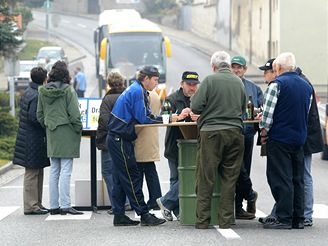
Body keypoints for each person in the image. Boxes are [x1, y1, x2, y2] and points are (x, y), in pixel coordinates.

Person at [258, 65, 323, 227]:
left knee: (281, 178)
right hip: (299, 139)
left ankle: (283, 217)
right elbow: (306, 112)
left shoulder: (277, 84)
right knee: (297, 179)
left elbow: (267, 115)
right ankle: (298, 218)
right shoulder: (306, 85)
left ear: (278, 67)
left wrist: (264, 130)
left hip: (280, 138)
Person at [191, 51, 246, 229]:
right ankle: (226, 220)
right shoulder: (238, 82)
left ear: (214, 67)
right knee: (230, 178)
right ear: (229, 66)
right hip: (235, 132)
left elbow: (195, 106)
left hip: (211, 132)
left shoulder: (209, 80)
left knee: (206, 176)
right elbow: (243, 107)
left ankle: (202, 221)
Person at [107, 65, 166, 226]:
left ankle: (119, 215)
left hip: (116, 137)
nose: (157, 83)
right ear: (145, 78)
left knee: (120, 179)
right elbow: (144, 118)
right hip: (119, 138)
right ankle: (144, 214)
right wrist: (167, 119)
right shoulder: (138, 91)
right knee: (131, 176)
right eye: (155, 80)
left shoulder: (135, 88)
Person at [37, 61, 83, 215]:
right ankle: (65, 204)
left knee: (54, 170)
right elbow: (74, 114)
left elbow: (39, 115)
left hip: (52, 132)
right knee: (66, 170)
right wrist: (78, 129)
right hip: (67, 132)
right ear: (66, 75)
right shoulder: (68, 91)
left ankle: (54, 206)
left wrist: (49, 126)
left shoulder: (42, 91)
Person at [156, 71, 200, 221]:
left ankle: (166, 202)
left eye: (195, 85)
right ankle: (179, 211)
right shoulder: (172, 98)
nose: (192, 88)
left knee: (188, 177)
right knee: (176, 179)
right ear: (182, 84)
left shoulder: (200, 98)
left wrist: (199, 116)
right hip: (175, 145)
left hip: (193, 145)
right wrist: (179, 115)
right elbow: (163, 118)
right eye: (189, 84)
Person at [13, 66, 50, 215]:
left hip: (29, 137)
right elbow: (34, 118)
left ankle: (37, 203)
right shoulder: (36, 95)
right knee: (32, 172)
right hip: (32, 138)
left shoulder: (29, 91)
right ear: (44, 79)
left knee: (38, 170)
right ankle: (31, 205)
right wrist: (46, 122)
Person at [230, 56, 264, 220]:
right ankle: (250, 195)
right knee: (235, 170)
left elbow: (263, 109)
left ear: (245, 69)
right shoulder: (226, 86)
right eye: (234, 67)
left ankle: (238, 206)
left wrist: (258, 114)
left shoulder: (253, 88)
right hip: (229, 133)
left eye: (239, 67)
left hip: (246, 133)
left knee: (243, 170)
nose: (237, 70)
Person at [96, 72, 128, 215]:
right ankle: (127, 201)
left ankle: (116, 204)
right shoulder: (127, 97)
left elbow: (104, 119)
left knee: (108, 172)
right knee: (124, 170)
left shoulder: (107, 99)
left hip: (109, 140)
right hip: (126, 139)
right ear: (122, 83)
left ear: (108, 84)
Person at [135, 90, 162, 211]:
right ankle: (155, 199)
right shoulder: (155, 95)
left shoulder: (146, 95)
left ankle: (140, 200)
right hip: (151, 135)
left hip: (142, 135)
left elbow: (140, 116)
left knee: (140, 170)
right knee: (150, 169)